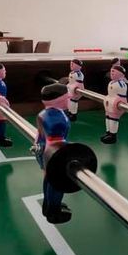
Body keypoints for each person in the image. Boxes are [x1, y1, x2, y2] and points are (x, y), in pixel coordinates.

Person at [35, 83, 73, 223]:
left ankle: (48, 205)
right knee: (57, 182)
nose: (69, 100)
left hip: (43, 149)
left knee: (48, 179)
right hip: (52, 153)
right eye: (67, 97)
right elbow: (57, 143)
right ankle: (54, 211)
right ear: (60, 100)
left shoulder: (44, 113)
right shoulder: (58, 119)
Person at [102, 64, 127, 144]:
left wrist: (116, 102)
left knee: (113, 119)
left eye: (114, 72)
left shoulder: (121, 84)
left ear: (121, 74)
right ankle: (108, 132)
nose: (112, 73)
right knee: (107, 118)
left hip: (115, 105)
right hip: (109, 104)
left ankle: (113, 136)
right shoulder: (111, 82)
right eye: (111, 71)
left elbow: (122, 97)